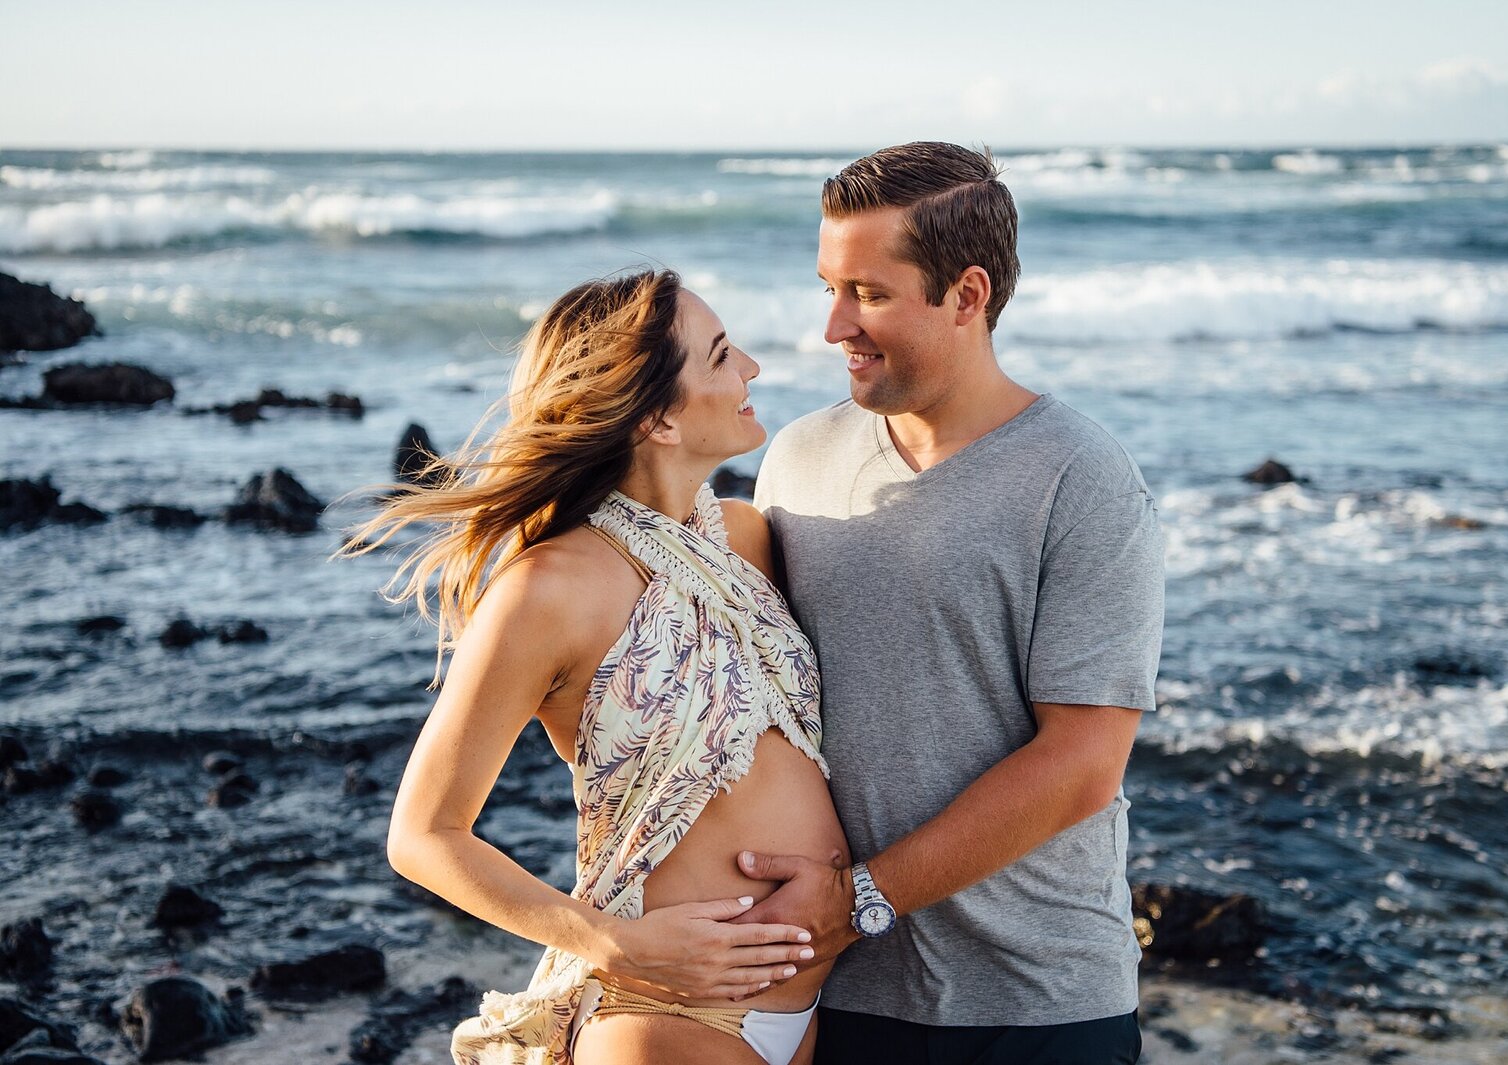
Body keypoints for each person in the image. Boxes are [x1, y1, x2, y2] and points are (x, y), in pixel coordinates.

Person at [340, 269, 847, 1065]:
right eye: (720, 356)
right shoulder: (548, 590)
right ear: (657, 417)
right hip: (667, 1020)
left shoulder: (745, 538)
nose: (752, 366)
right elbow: (423, 834)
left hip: (812, 1008)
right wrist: (614, 942)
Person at [744, 142, 1164, 1065]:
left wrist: (858, 898)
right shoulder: (797, 460)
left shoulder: (1082, 478)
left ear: (967, 296)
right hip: (833, 992)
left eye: (870, 293)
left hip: (1038, 1003)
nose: (834, 327)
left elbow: (1083, 761)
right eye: (829, 289)